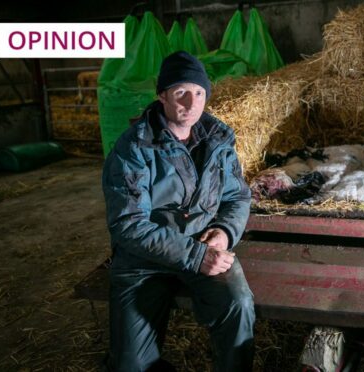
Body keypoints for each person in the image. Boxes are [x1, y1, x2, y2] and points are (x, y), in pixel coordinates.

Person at [101, 51, 255, 372]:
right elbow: (128, 225)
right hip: (144, 260)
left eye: (199, 92)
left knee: (238, 306)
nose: (192, 102)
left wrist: (225, 232)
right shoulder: (133, 149)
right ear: (162, 96)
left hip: (204, 246)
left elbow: (237, 196)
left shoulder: (218, 140)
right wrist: (195, 256)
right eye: (180, 92)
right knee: (130, 365)